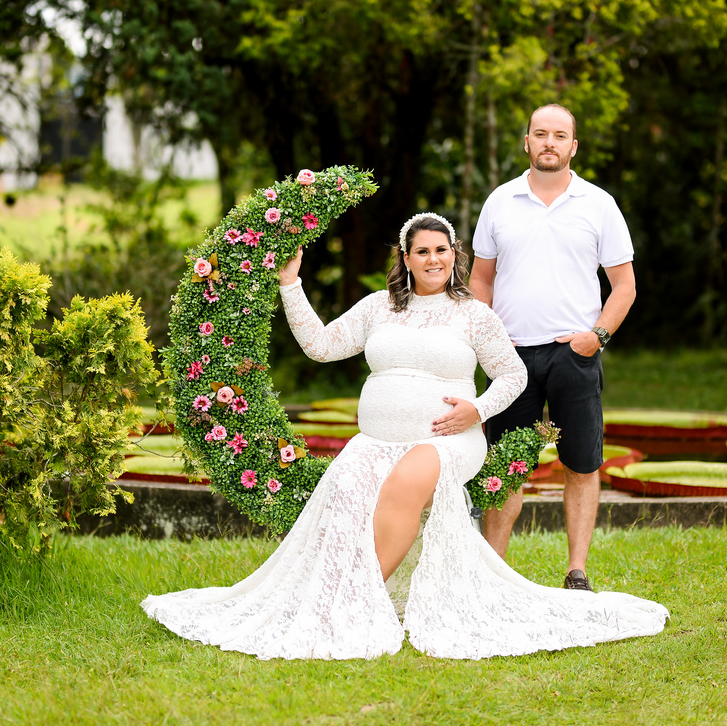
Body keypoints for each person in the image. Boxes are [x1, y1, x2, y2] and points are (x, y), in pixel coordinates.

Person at [142, 213, 666, 660]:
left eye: (442, 250)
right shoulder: (378, 308)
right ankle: (331, 594)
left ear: (455, 255)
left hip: (449, 439)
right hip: (374, 440)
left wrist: (476, 409)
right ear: (406, 257)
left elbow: (514, 376)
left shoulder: (475, 315)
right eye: (423, 251)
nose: (433, 259)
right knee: (346, 489)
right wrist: (290, 285)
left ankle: (352, 603)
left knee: (408, 479)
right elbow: (321, 346)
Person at [470, 103, 637, 593]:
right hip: (510, 357)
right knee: (503, 469)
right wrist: (488, 341)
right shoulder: (500, 201)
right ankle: (492, 575)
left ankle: (577, 572)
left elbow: (623, 286)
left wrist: (597, 338)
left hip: (574, 355)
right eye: (540, 134)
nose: (549, 142)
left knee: (580, 464)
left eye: (559, 135)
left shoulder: (599, 204)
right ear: (526, 142)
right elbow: (482, 278)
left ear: (573, 146)